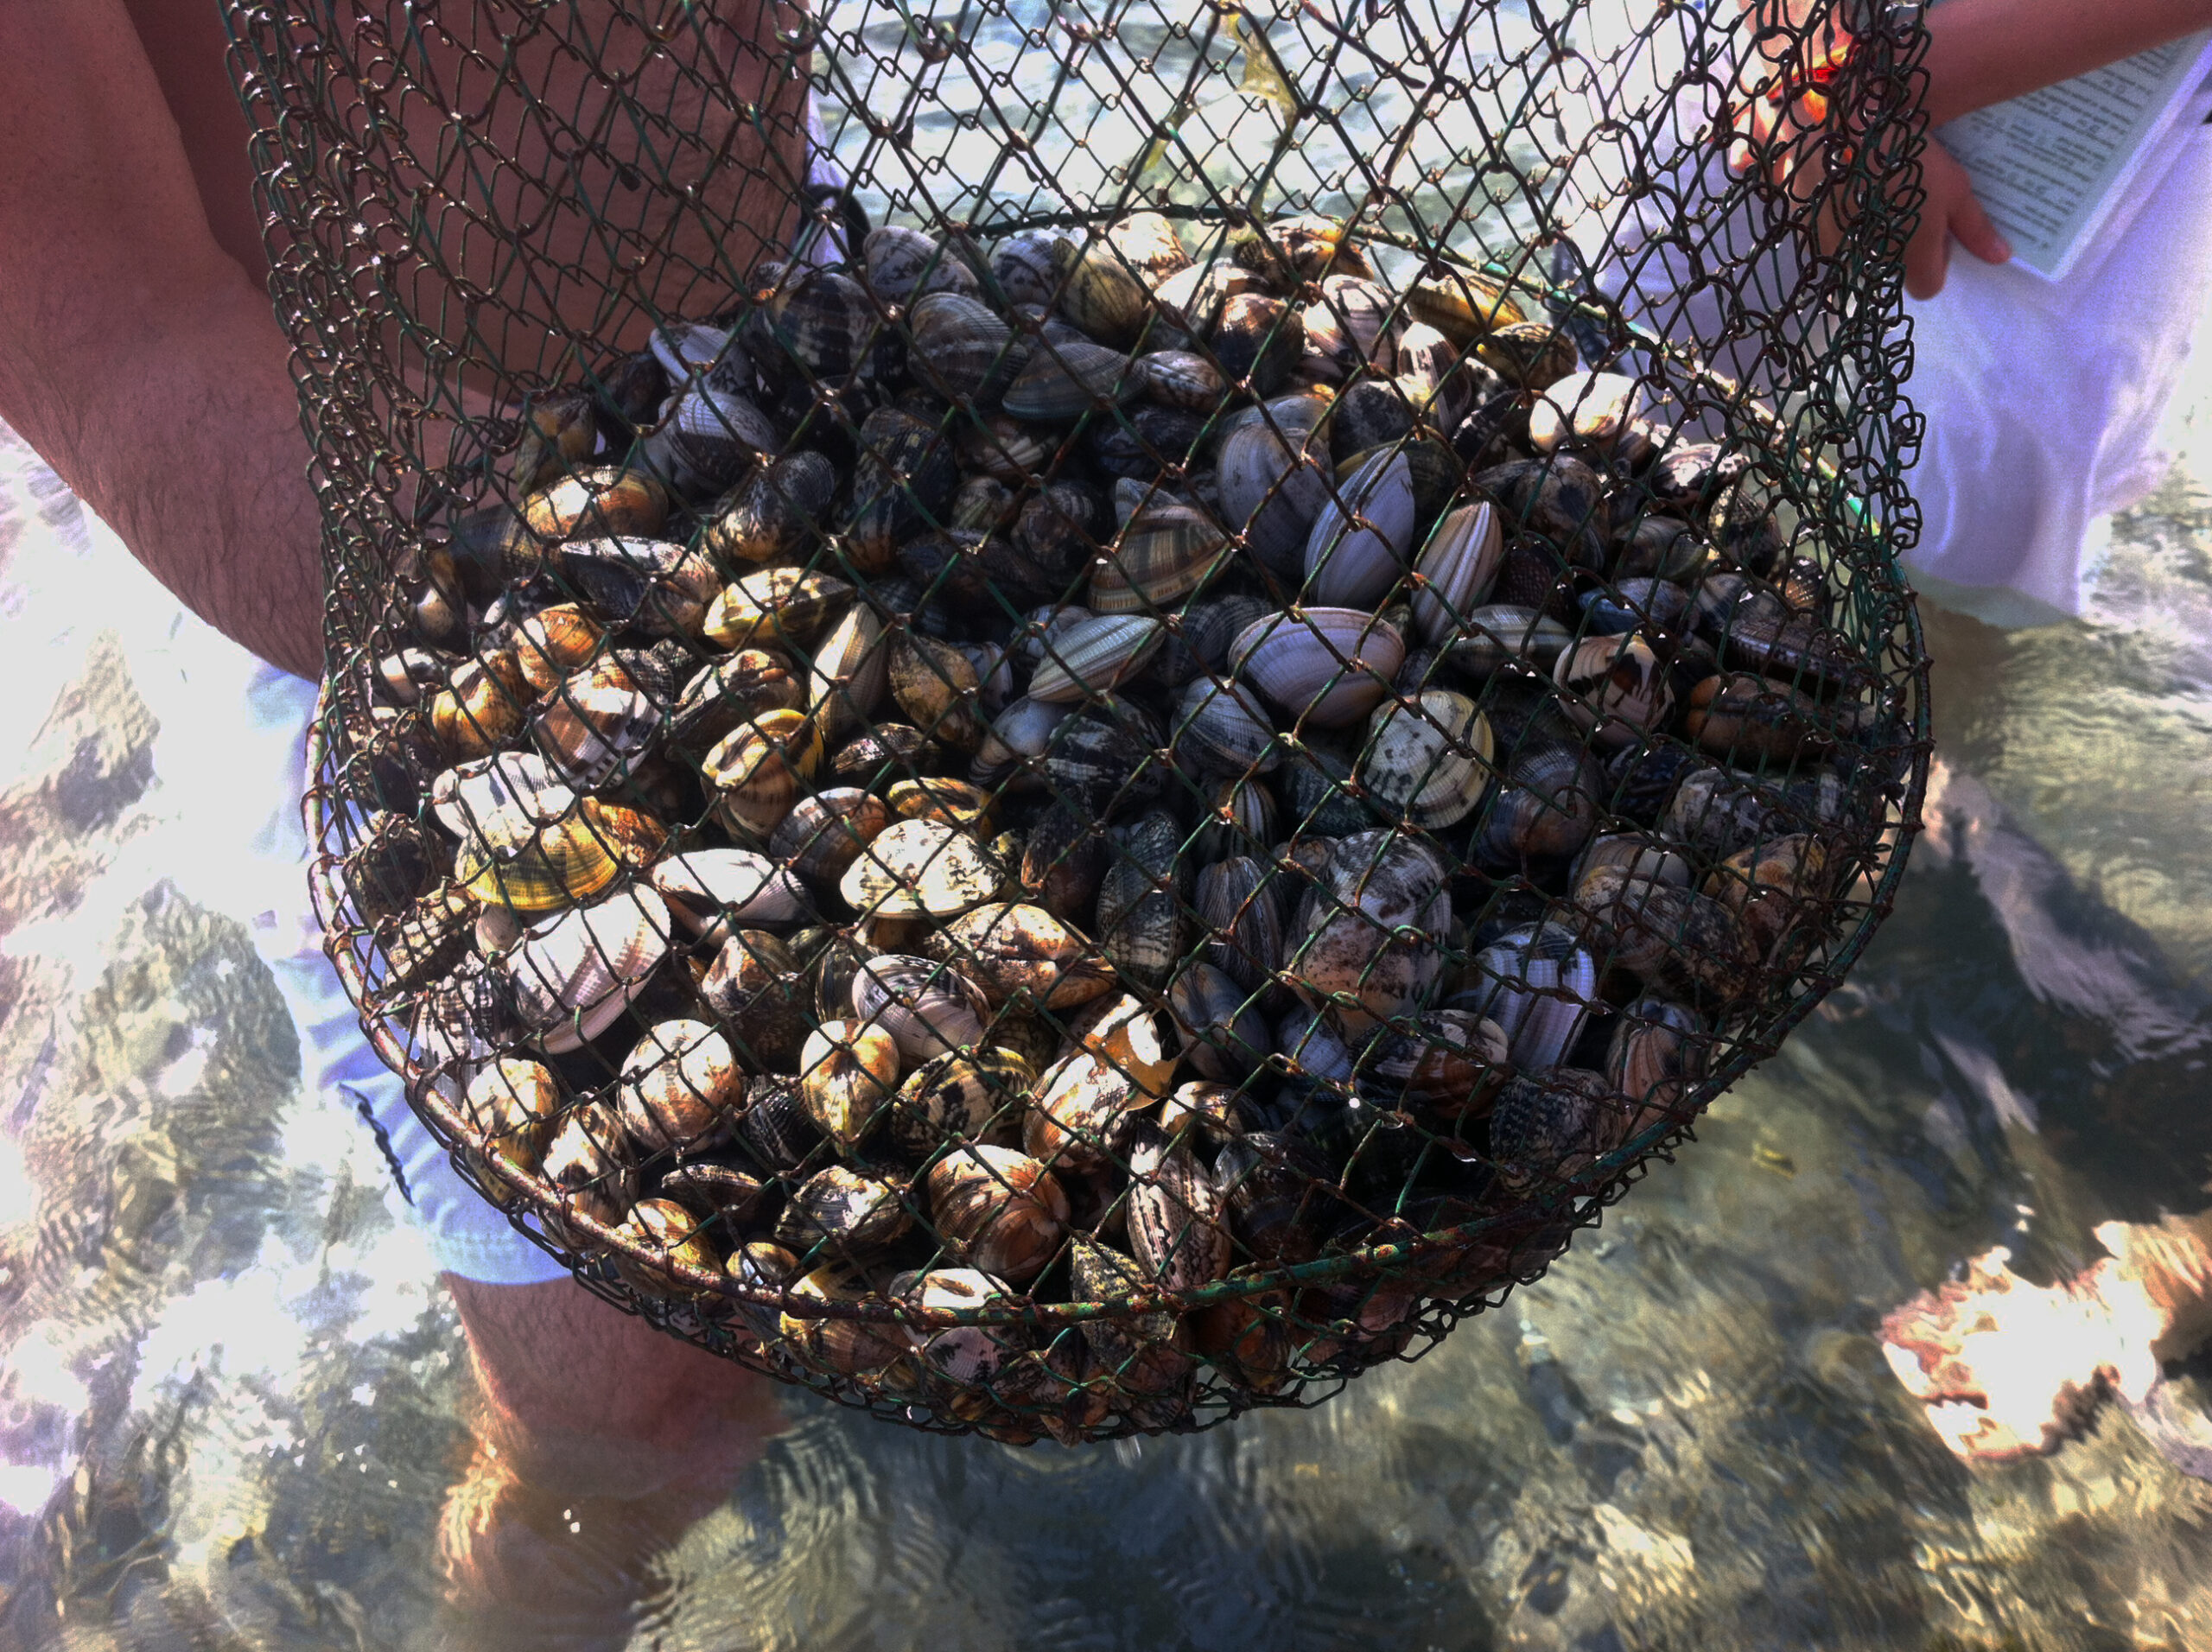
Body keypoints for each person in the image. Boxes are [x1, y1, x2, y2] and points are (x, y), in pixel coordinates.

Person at [0, 3, 824, 1640]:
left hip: (807, 357)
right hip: (365, 544)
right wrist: (571, 659)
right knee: (635, 1409)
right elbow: (116, 314)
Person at [1584, 0, 2212, 625]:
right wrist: (1808, 74)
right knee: (1628, 377)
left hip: (2135, 57)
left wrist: (1876, 85)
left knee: (1986, 523)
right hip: (1780, 28)